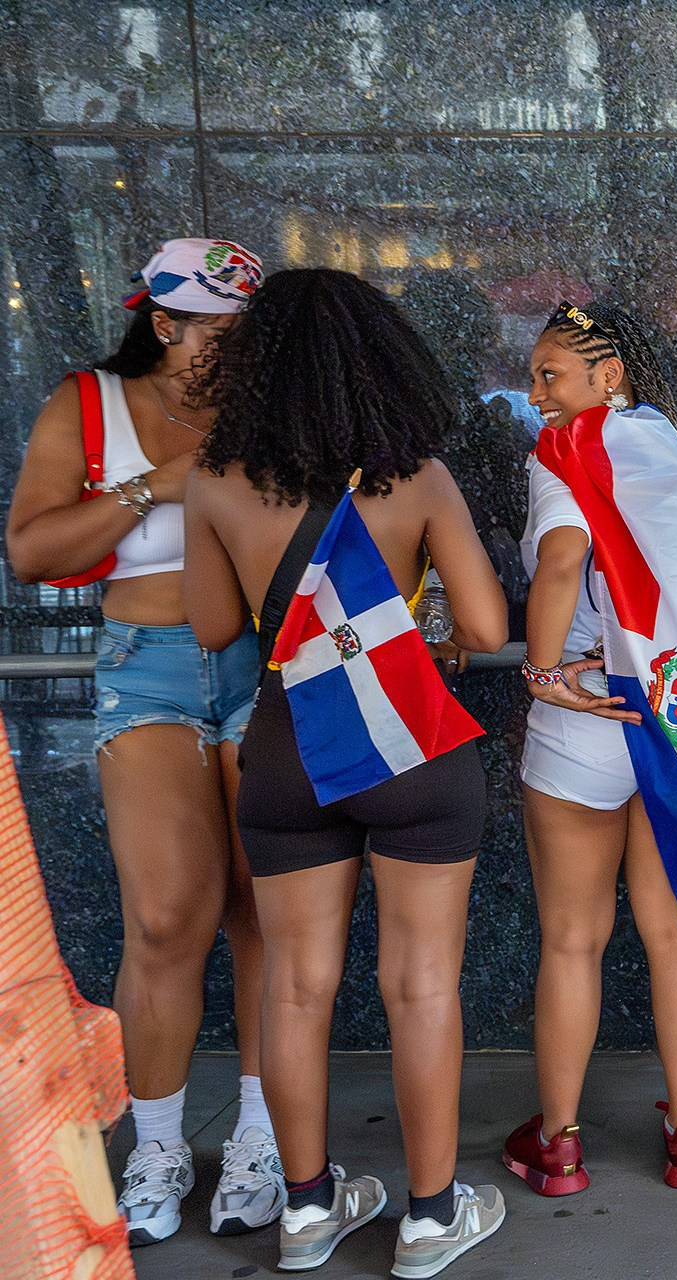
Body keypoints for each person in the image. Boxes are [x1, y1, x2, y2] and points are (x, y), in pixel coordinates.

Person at [183, 268, 508, 1277]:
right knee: (420, 986)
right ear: (383, 362)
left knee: (292, 989)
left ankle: (309, 1209)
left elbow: (213, 628)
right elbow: (490, 624)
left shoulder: (214, 482)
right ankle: (426, 1215)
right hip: (411, 747)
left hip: (288, 752)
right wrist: (415, 623)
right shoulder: (419, 480)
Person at [5, 238, 282, 1245]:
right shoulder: (87, 405)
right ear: (162, 320)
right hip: (148, 662)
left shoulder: (270, 406)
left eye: (246, 327)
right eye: (216, 325)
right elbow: (31, 549)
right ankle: (158, 1146)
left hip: (267, 657)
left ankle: (262, 1134)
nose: (234, 345)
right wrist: (150, 488)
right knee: (167, 914)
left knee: (266, 903)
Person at [501, 299, 677, 1196]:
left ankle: (562, 1144)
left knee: (573, 940)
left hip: (580, 718)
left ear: (609, 377)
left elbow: (562, 563)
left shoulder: (563, 457)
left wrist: (542, 673)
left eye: (549, 374)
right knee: (670, 932)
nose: (535, 394)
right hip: (671, 722)